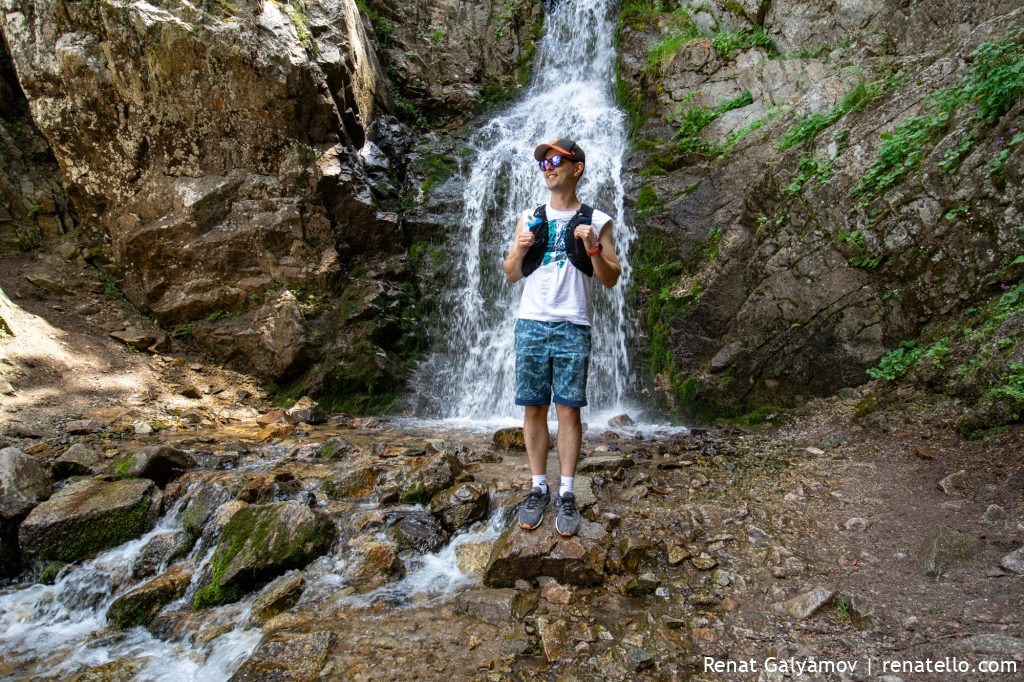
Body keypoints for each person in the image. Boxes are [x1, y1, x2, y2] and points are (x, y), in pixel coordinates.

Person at [502, 137, 622, 537]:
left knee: (569, 409)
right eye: (543, 163)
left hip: (573, 323)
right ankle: (538, 486)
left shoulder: (598, 220)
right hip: (532, 321)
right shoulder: (529, 217)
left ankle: (567, 492)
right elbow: (511, 273)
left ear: (577, 168)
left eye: (556, 160)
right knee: (533, 407)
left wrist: (591, 248)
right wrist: (519, 251)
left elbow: (611, 277)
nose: (548, 167)